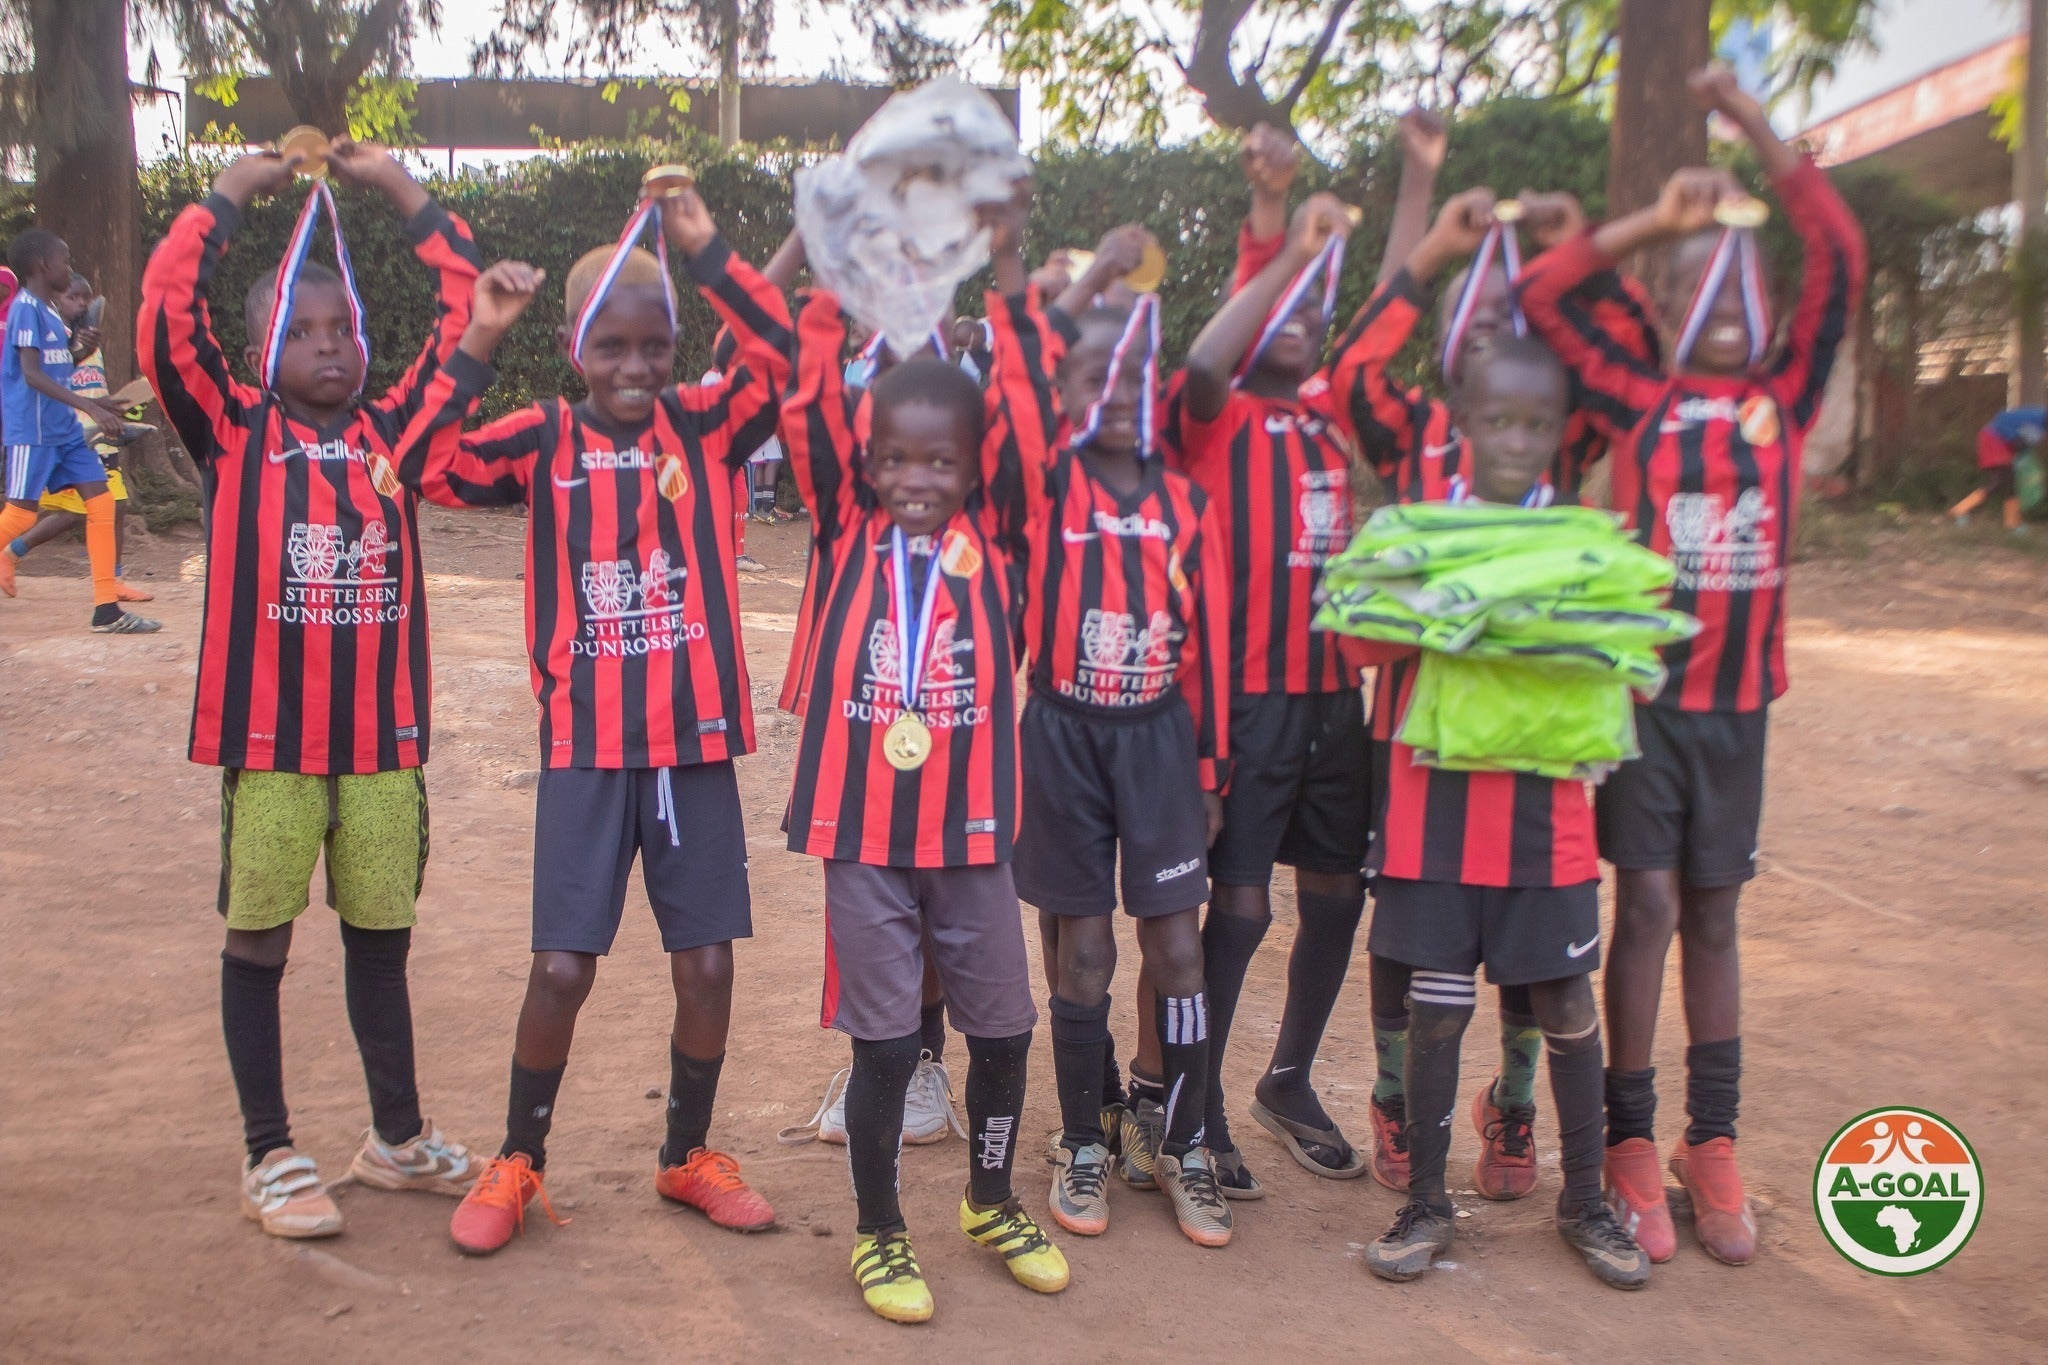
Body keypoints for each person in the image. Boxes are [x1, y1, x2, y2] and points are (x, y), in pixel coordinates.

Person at [1515, 64, 1866, 1266]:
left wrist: (1753, 125)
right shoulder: (1636, 397)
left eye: (1740, 273)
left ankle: (1707, 1140)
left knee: (1713, 912)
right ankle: (1626, 1134)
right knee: (1649, 906)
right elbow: (1542, 290)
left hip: (1737, 713)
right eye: (1692, 275)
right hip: (1646, 709)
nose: (1722, 291)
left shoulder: (1786, 396)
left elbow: (1838, 256)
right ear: (1662, 307)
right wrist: (1653, 221)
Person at [399, 184, 790, 1255]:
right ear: (575, 344)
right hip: (586, 751)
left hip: (693, 747)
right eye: (611, 346)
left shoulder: (704, 426)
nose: (635, 366)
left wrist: (707, 250)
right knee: (562, 969)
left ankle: (686, 1152)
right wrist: (479, 334)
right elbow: (423, 464)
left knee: (706, 966)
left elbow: (778, 359)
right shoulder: (542, 438)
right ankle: (518, 1157)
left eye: (655, 345)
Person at [136, 143, 488, 1238]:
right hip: (271, 747)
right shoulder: (230, 427)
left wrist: (395, 184)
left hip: (382, 750)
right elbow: (165, 319)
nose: (329, 345)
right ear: (256, 353)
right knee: (260, 940)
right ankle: (268, 1150)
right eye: (301, 330)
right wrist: (233, 191)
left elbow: (466, 310)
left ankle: (396, 1137)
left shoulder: (397, 434)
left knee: (381, 942)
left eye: (344, 329)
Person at [1339, 195, 1650, 1290]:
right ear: (1459, 420)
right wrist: (1436, 611)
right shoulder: (1416, 529)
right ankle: (1426, 1203)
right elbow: (1359, 641)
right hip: (1431, 811)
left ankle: (1585, 1202)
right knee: (1436, 1000)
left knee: (1563, 1001)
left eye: (1536, 424)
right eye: (1497, 422)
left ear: (1562, 429)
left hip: (1546, 816)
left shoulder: (1581, 543)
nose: (1516, 440)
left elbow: (1618, 657)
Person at [779, 194, 1068, 1324]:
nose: (914, 477)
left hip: (973, 838)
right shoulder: (846, 528)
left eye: (939, 460)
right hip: (862, 840)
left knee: (1004, 1029)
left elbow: (1032, 411)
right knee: (887, 1045)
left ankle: (989, 1200)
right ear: (866, 461)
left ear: (974, 464)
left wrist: (1009, 258)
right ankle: (879, 1229)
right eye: (893, 457)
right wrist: (828, 261)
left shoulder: (999, 540)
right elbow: (810, 397)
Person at [988, 207, 1235, 1247]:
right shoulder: (1048, 481)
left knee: (1176, 950)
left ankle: (1184, 1144)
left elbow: (1208, 642)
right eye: (1095, 380)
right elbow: (1016, 361)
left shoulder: (1185, 502)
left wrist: (1210, 768)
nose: (1118, 398)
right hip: (1061, 735)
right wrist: (1068, 275)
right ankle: (1081, 1140)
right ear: (1064, 395)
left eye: (1135, 380)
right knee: (1081, 953)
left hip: (1159, 742)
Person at [1173, 190, 1376, 1194]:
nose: (1296, 319)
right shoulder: (1214, 417)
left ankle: (1286, 1079)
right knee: (1242, 906)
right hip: (1246, 704)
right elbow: (1206, 360)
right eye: (1276, 303)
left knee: (1337, 893)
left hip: (1336, 700)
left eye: (1311, 306)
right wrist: (1283, 241)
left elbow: (1388, 306)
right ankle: (1200, 1095)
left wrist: (1416, 177)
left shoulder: (1329, 412)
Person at [0, 228, 154, 629]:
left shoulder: (52, 313)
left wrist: (96, 390)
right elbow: (31, 374)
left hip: (64, 430)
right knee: (19, 516)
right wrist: (88, 406)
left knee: (101, 503)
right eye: (65, 261)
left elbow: (58, 369)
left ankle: (106, 610)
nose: (70, 268)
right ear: (42, 266)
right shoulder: (26, 309)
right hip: (33, 431)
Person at [1949, 405, 2041, 532]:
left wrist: (2019, 449)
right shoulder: (2037, 417)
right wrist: (2013, 438)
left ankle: (2012, 523)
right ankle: (1960, 510)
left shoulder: (2040, 425)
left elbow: (2023, 443)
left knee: (2009, 484)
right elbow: (2002, 418)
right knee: (1999, 482)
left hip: (2002, 444)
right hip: (1993, 440)